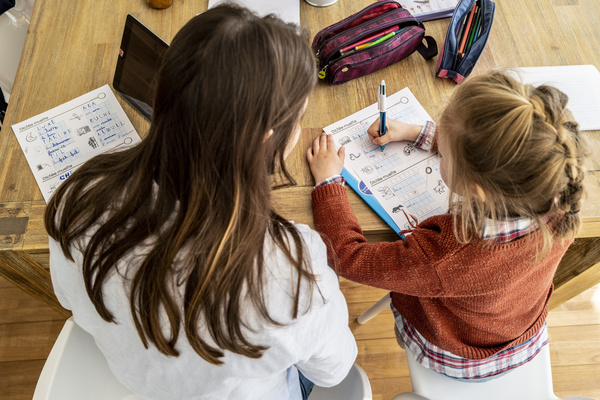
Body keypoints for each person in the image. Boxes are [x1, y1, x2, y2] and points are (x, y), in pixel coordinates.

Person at [45, 5, 357, 400]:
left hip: (135, 377)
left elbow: (69, 298)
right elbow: (334, 369)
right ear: (266, 138)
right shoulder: (289, 270)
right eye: (298, 119)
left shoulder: (81, 195)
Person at [306, 71, 587, 380]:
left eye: (447, 154)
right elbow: (490, 150)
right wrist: (415, 132)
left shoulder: (445, 257)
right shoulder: (561, 197)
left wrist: (328, 181)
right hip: (519, 332)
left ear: (475, 189)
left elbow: (348, 258)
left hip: (455, 352)